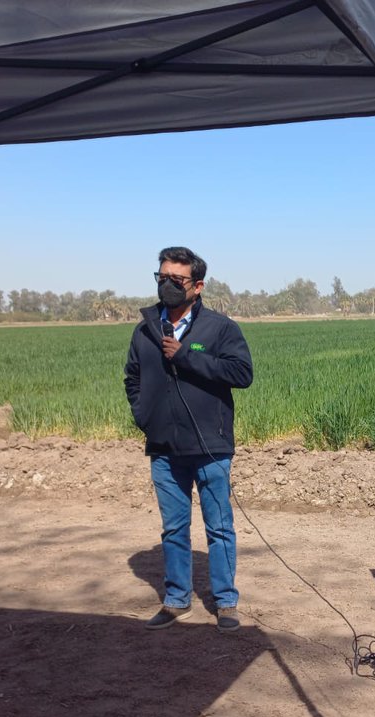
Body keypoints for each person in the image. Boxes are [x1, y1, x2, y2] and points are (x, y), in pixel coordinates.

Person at [124, 246, 254, 633]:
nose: (167, 284)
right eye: (161, 277)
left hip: (210, 447)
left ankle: (226, 602)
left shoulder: (220, 328)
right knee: (173, 529)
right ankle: (176, 599)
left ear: (197, 286)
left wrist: (185, 356)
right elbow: (132, 378)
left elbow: (241, 373)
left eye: (176, 280)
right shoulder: (145, 329)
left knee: (219, 528)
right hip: (164, 449)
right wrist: (143, 415)